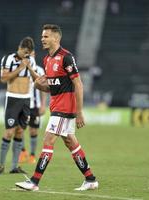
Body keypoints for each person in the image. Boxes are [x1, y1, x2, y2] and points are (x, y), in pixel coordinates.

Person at [15, 24, 98, 191]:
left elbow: (78, 84)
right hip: (56, 107)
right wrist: (38, 83)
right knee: (70, 142)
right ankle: (90, 179)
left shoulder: (66, 57)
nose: (42, 39)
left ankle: (34, 181)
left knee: (48, 140)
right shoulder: (46, 60)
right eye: (42, 36)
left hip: (65, 108)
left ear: (56, 38)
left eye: (45, 36)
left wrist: (79, 112)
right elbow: (52, 87)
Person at [0, 36, 36, 174]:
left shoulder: (31, 60)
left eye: (28, 53)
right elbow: (3, 78)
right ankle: (1, 165)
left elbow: (36, 78)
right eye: (24, 52)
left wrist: (30, 67)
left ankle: (14, 167)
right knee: (9, 132)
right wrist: (21, 67)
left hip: (26, 100)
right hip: (13, 99)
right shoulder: (8, 59)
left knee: (20, 131)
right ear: (19, 48)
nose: (25, 55)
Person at [19, 50, 47, 164]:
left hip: (35, 105)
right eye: (27, 54)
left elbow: (43, 89)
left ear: (34, 55)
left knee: (33, 130)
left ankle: (32, 155)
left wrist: (43, 104)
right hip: (22, 104)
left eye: (31, 54)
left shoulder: (40, 70)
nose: (30, 56)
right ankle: (23, 152)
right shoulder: (20, 69)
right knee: (19, 129)